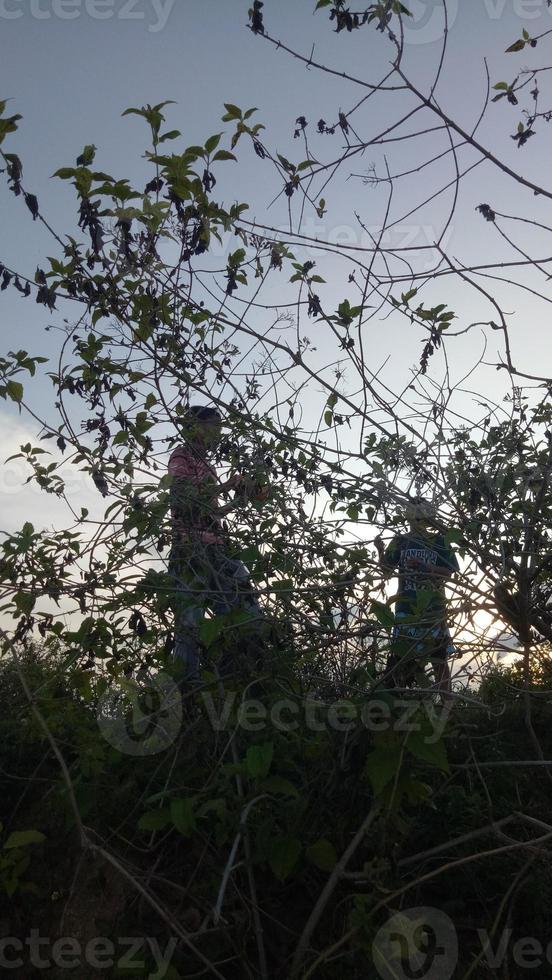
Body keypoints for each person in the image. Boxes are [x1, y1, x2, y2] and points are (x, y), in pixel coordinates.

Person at [167, 405, 263, 682]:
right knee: (189, 624)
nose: (218, 433)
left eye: (219, 428)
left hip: (217, 548)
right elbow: (182, 498)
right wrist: (225, 486)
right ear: (197, 427)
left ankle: (244, 676)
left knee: (244, 610)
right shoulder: (182, 455)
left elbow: (211, 512)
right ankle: (188, 689)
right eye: (213, 426)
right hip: (190, 550)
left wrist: (238, 497)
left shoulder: (206, 462)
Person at [374, 497, 459, 696]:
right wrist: (379, 549)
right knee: (400, 659)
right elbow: (386, 570)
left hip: (433, 611)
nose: (417, 519)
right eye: (414, 514)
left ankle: (448, 707)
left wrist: (427, 568)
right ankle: (397, 704)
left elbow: (449, 572)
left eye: (421, 515)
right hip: (405, 610)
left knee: (439, 661)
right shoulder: (400, 541)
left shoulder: (440, 541)